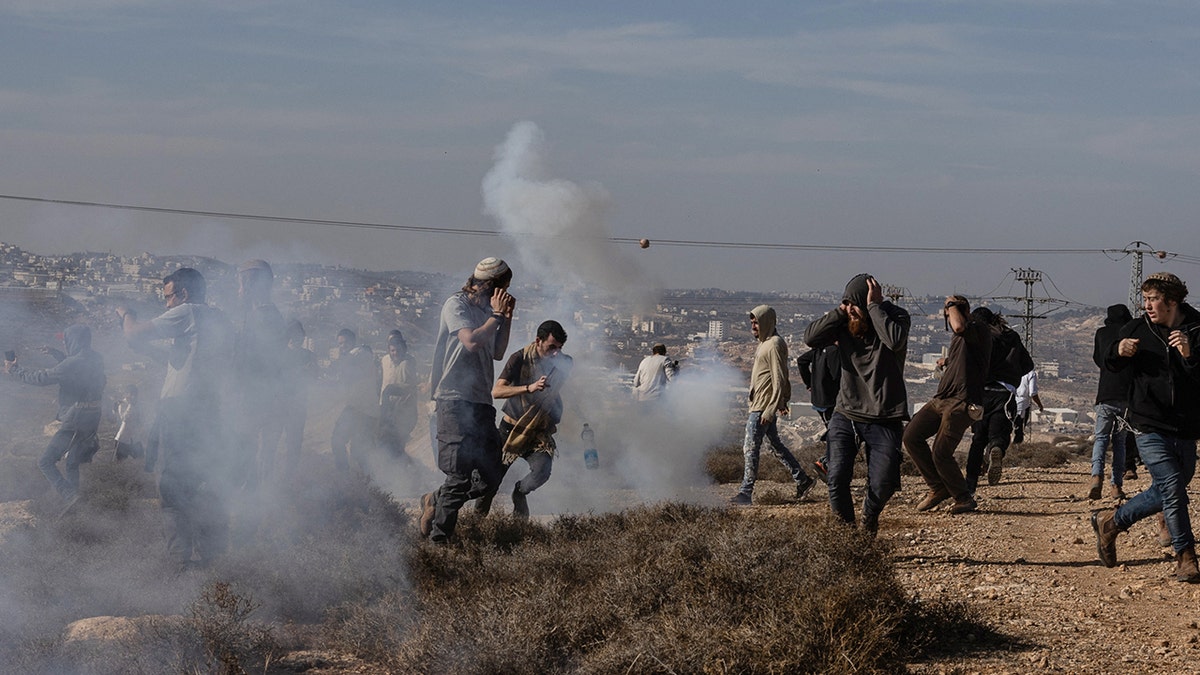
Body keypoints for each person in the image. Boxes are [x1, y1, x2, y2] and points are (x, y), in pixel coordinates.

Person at [118, 268, 234, 571]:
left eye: (169, 297)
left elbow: (132, 332)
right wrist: (149, 350)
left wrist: (126, 314)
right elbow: (186, 362)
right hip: (206, 411)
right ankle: (212, 555)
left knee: (171, 487)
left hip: (181, 412)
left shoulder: (189, 311)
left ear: (184, 293)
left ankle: (179, 563)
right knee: (200, 482)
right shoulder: (218, 318)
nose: (167, 304)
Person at [1092, 272, 1200, 583]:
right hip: (1148, 423)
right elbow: (1107, 361)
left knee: (1168, 488)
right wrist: (1118, 350)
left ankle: (1111, 522)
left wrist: (1190, 356)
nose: (1147, 305)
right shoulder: (1137, 329)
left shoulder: (1197, 328)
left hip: (1186, 426)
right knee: (1172, 487)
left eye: (1153, 299)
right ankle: (1185, 556)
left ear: (1172, 302)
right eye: (1145, 299)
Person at [803, 274, 910, 534]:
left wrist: (873, 308)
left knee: (883, 484)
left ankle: (870, 515)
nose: (851, 309)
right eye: (846, 303)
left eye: (854, 304)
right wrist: (841, 311)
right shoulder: (845, 322)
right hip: (846, 413)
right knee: (836, 476)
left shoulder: (896, 316)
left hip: (885, 415)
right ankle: (848, 537)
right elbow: (810, 338)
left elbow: (894, 341)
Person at [419, 257, 514, 543]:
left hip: (481, 402)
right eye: (504, 288)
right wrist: (496, 316)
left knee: (490, 477)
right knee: (459, 476)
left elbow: (497, 352)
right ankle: (439, 542)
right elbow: (471, 341)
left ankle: (435, 499)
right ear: (492, 286)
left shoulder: (488, 312)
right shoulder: (456, 305)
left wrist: (506, 317)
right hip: (453, 399)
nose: (505, 294)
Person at [903, 295, 992, 515]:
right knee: (911, 436)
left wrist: (951, 305)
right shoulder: (962, 338)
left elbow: (960, 326)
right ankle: (937, 487)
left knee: (941, 452)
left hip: (962, 402)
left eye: (950, 312)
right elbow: (965, 357)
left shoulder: (978, 329)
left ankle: (963, 498)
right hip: (942, 398)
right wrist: (947, 362)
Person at [4, 324, 106, 513]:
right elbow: (77, 368)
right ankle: (75, 507)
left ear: (74, 341)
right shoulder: (95, 358)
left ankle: (71, 496)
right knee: (72, 462)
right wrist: (56, 353)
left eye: (66, 341)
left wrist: (14, 370)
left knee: (45, 461)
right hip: (93, 415)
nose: (65, 344)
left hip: (77, 418)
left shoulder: (72, 364)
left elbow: (41, 378)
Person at [477, 320, 573, 518]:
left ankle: (519, 493)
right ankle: (476, 522)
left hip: (538, 431)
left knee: (542, 471)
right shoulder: (519, 358)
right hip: (511, 430)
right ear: (538, 341)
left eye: (560, 348)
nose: (556, 353)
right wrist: (529, 388)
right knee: (490, 483)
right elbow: (497, 391)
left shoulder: (563, 362)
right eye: (551, 347)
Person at [730, 305, 815, 506]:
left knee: (750, 447)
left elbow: (780, 376)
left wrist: (772, 407)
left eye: (756, 322)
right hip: (760, 404)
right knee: (776, 446)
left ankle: (745, 492)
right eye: (752, 322)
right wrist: (782, 401)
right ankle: (802, 480)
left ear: (766, 322)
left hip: (763, 406)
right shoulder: (765, 343)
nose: (753, 326)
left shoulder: (774, 344)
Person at [963, 307, 1034, 493]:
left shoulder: (979, 337)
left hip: (981, 393)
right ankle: (996, 449)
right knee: (999, 434)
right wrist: (1011, 374)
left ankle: (969, 485)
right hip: (1005, 393)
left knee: (978, 440)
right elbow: (1028, 365)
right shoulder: (1012, 337)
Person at [231, 259, 287, 487]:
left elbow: (258, 364)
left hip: (258, 398)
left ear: (251, 284)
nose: (238, 291)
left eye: (240, 284)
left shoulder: (265, 318)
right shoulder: (258, 316)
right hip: (257, 396)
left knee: (252, 455)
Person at [1088, 304, 1134, 500]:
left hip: (1105, 393)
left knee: (1101, 438)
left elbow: (1098, 359)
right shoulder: (1131, 333)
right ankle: (1116, 485)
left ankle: (1096, 476)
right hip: (1126, 396)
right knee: (1120, 442)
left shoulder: (1101, 333)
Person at [261, 319, 317, 479]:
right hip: (276, 407)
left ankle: (288, 479)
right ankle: (265, 479)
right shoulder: (277, 355)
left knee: (293, 445)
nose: (295, 338)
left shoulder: (308, 356)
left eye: (299, 335)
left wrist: (309, 371)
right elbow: (269, 379)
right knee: (269, 444)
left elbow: (314, 377)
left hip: (297, 408)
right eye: (292, 335)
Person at [329, 328, 380, 475]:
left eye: (345, 342)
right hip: (356, 408)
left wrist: (337, 363)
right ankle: (350, 477)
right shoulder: (353, 356)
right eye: (340, 344)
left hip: (364, 410)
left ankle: (358, 479)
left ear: (353, 341)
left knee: (355, 449)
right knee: (345, 444)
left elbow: (347, 369)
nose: (342, 346)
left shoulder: (359, 354)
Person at [796, 342, 840, 480]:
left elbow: (801, 361)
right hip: (831, 401)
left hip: (820, 400)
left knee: (835, 434)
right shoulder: (834, 351)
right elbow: (837, 376)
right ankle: (825, 464)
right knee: (837, 435)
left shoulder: (819, 349)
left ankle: (830, 467)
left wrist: (810, 383)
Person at [378, 331, 418, 461]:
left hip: (402, 412)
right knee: (386, 443)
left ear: (404, 349)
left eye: (398, 350)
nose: (395, 353)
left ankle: (405, 469)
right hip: (386, 409)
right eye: (392, 350)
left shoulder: (407, 363)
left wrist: (391, 390)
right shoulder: (385, 360)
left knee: (396, 444)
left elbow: (410, 387)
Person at [113, 383, 145, 461]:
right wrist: (130, 406)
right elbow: (124, 418)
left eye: (135, 394)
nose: (134, 397)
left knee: (141, 459)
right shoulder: (122, 404)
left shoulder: (138, 404)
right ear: (126, 394)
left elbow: (141, 418)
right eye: (132, 394)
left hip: (135, 438)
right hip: (123, 439)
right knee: (120, 462)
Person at [1011, 369, 1043, 445]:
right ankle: (1016, 447)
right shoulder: (1030, 374)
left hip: (1009, 402)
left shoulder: (1012, 370)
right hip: (1022, 405)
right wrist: (1040, 405)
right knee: (1019, 429)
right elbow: (1032, 393)